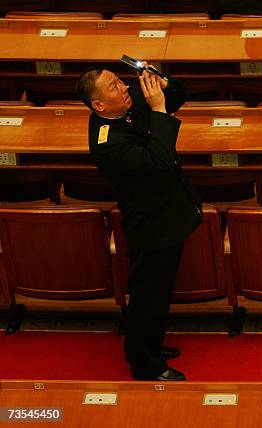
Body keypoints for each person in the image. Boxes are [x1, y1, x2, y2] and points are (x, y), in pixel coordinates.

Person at [76, 64, 202, 381]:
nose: (125, 87)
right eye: (114, 86)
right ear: (99, 105)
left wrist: (161, 79)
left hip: (168, 212)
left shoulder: (127, 104)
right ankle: (147, 365)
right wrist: (159, 110)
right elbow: (160, 160)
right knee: (149, 296)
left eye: (119, 80)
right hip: (151, 224)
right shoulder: (108, 144)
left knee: (159, 292)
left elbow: (180, 94)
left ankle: (146, 347)